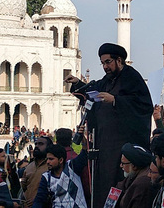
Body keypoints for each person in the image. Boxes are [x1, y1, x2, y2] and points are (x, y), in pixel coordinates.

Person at [65, 43, 153, 206]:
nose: (105, 67)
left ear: (119, 60)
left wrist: (115, 100)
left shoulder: (132, 78)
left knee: (119, 182)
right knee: (103, 186)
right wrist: (77, 82)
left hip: (123, 143)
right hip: (104, 145)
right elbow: (93, 89)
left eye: (108, 62)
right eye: (103, 63)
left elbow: (144, 106)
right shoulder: (107, 80)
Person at [33, 143, 88, 207]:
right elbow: (39, 200)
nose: (48, 162)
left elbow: (84, 153)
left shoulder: (72, 168)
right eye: (47, 159)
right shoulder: (46, 177)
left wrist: (82, 136)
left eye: (51, 159)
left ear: (61, 160)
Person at [115, 143, 153, 208]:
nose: (121, 166)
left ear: (134, 166)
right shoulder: (133, 175)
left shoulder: (142, 184)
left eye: (123, 163)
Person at [21, 137, 53, 207]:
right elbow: (23, 188)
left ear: (48, 147)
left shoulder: (51, 165)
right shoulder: (29, 167)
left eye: (41, 144)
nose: (37, 146)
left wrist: (39, 200)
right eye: (36, 144)